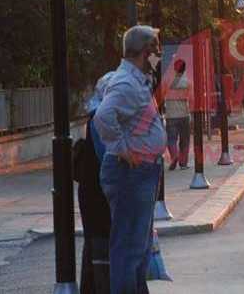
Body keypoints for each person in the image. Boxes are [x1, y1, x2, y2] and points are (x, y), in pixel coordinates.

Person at [94, 25, 167, 294]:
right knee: (128, 247)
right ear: (143, 52)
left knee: (140, 246)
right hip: (130, 173)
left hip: (140, 172)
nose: (158, 55)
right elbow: (103, 117)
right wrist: (123, 148)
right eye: (155, 50)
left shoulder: (136, 79)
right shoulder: (126, 83)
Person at [75, 72, 114, 294]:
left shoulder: (96, 115)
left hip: (92, 194)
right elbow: (108, 162)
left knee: (94, 248)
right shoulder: (101, 118)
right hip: (99, 196)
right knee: (100, 250)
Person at [164, 59, 191, 170]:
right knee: (184, 140)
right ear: (184, 68)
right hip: (184, 114)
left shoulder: (168, 81)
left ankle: (174, 157)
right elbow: (191, 97)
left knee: (171, 139)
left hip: (171, 115)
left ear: (175, 68)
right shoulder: (188, 82)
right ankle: (183, 163)